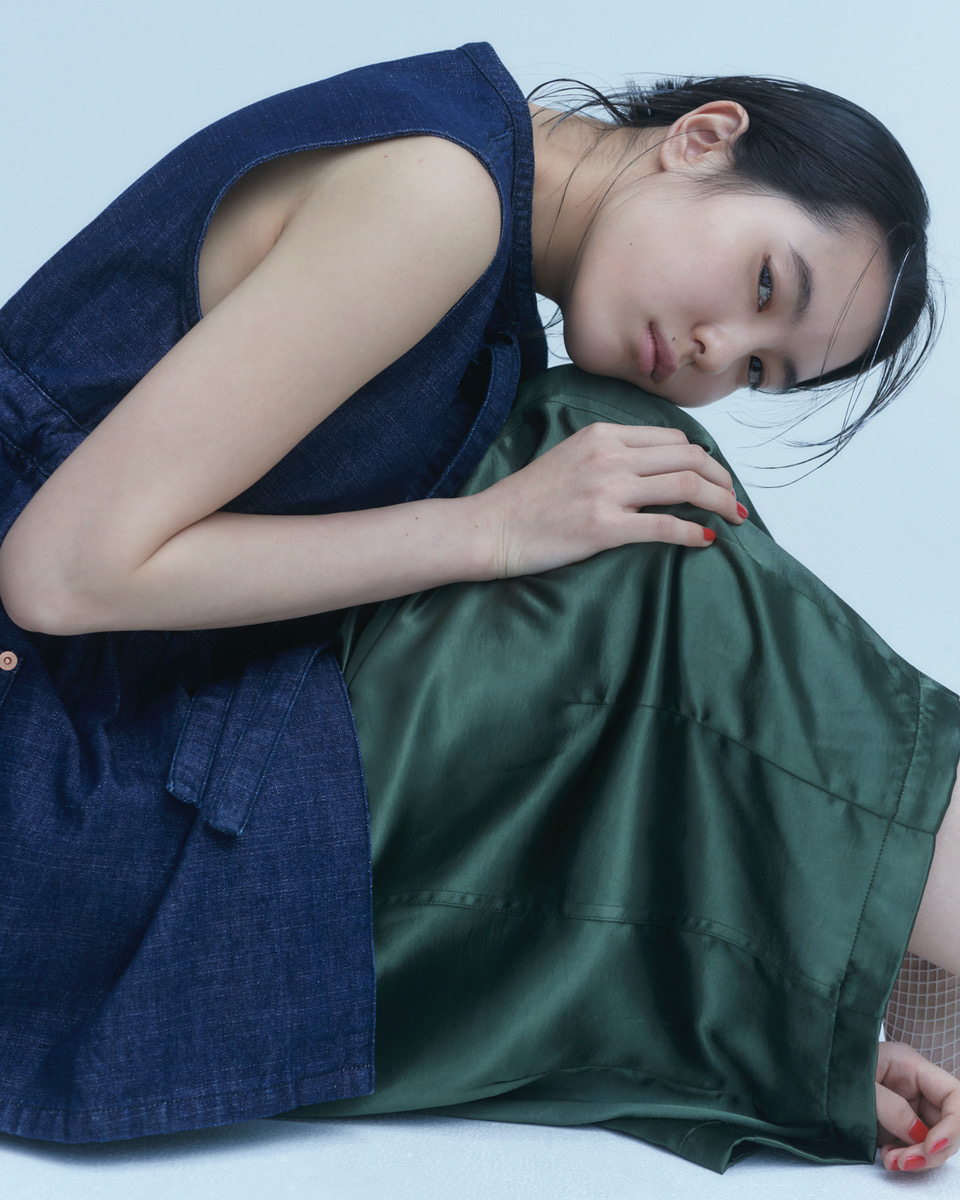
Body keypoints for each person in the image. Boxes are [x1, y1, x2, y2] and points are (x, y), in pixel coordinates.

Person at [0, 41, 941, 1158]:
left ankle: (850, 974)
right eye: (765, 286)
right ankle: (908, 945)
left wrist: (798, 1022)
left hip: (98, 713)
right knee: (634, 537)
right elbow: (60, 572)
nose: (714, 353)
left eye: (757, 371)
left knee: (617, 477)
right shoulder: (439, 195)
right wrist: (489, 532)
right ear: (702, 139)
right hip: (51, 768)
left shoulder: (478, 220)